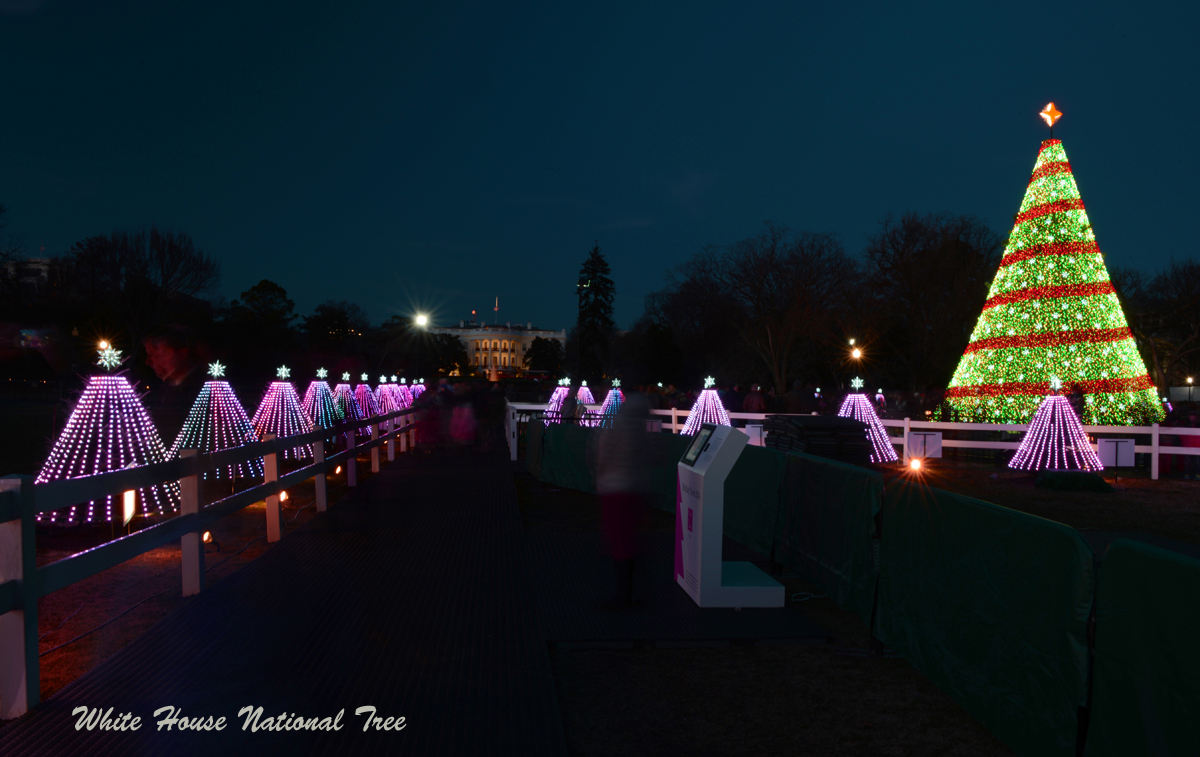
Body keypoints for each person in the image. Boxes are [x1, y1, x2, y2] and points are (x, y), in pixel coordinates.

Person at [595, 392, 655, 609]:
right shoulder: (643, 429)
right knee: (629, 538)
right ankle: (635, 590)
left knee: (619, 540)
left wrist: (599, 477)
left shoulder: (615, 426)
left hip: (614, 489)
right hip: (635, 489)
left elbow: (603, 455)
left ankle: (624, 595)